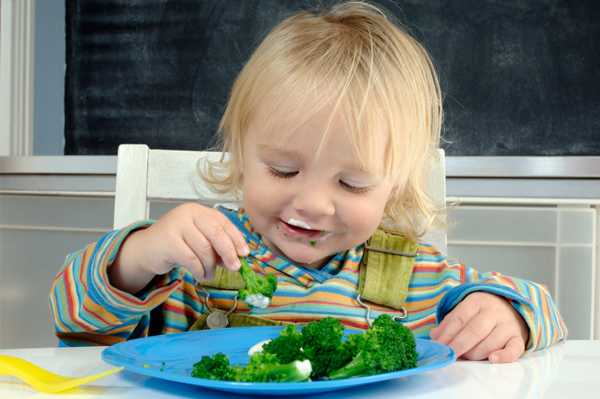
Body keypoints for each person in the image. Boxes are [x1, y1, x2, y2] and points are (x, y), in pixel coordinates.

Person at [49, 1, 565, 363]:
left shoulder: (417, 279)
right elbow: (74, 324)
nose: (314, 204)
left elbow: (545, 307)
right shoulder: (192, 264)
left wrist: (509, 315)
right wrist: (138, 257)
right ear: (241, 154)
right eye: (283, 170)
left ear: (395, 188)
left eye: (355, 184)